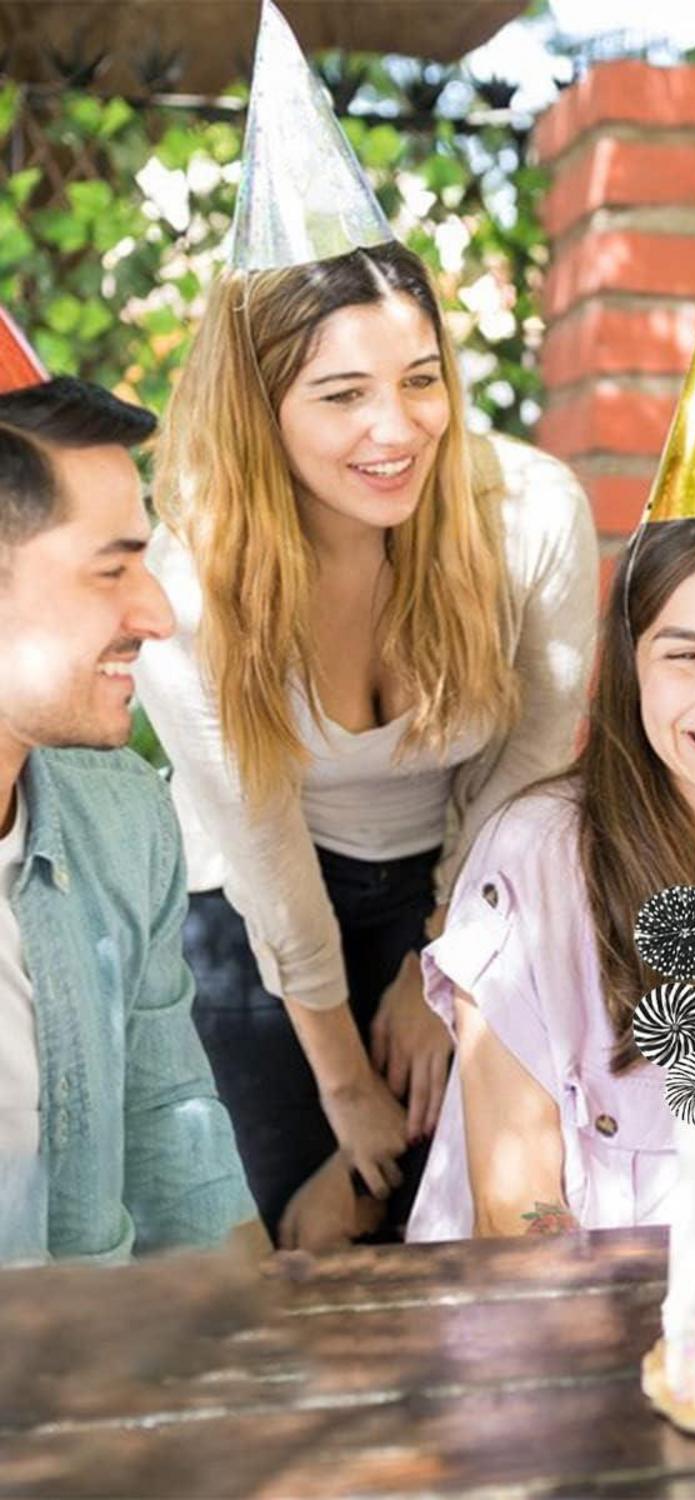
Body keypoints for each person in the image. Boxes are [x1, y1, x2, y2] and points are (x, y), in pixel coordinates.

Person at [136, 1, 596, 1250]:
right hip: (255, 912)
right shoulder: (193, 585)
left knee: (456, 1227)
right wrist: (345, 1074)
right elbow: (264, 841)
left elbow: (534, 759)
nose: (395, 430)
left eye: (420, 380)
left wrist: (438, 962)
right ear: (263, 410)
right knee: (311, 1227)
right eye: (342, 395)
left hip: (466, 875)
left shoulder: (531, 518)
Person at [408, 282, 695, 1241]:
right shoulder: (538, 860)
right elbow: (518, 1209)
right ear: (632, 664)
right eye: (687, 652)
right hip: (558, 1355)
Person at [0, 328, 262, 1262]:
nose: (156, 613)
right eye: (112, 568)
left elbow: (171, 1126)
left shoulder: (124, 819)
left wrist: (261, 1361)